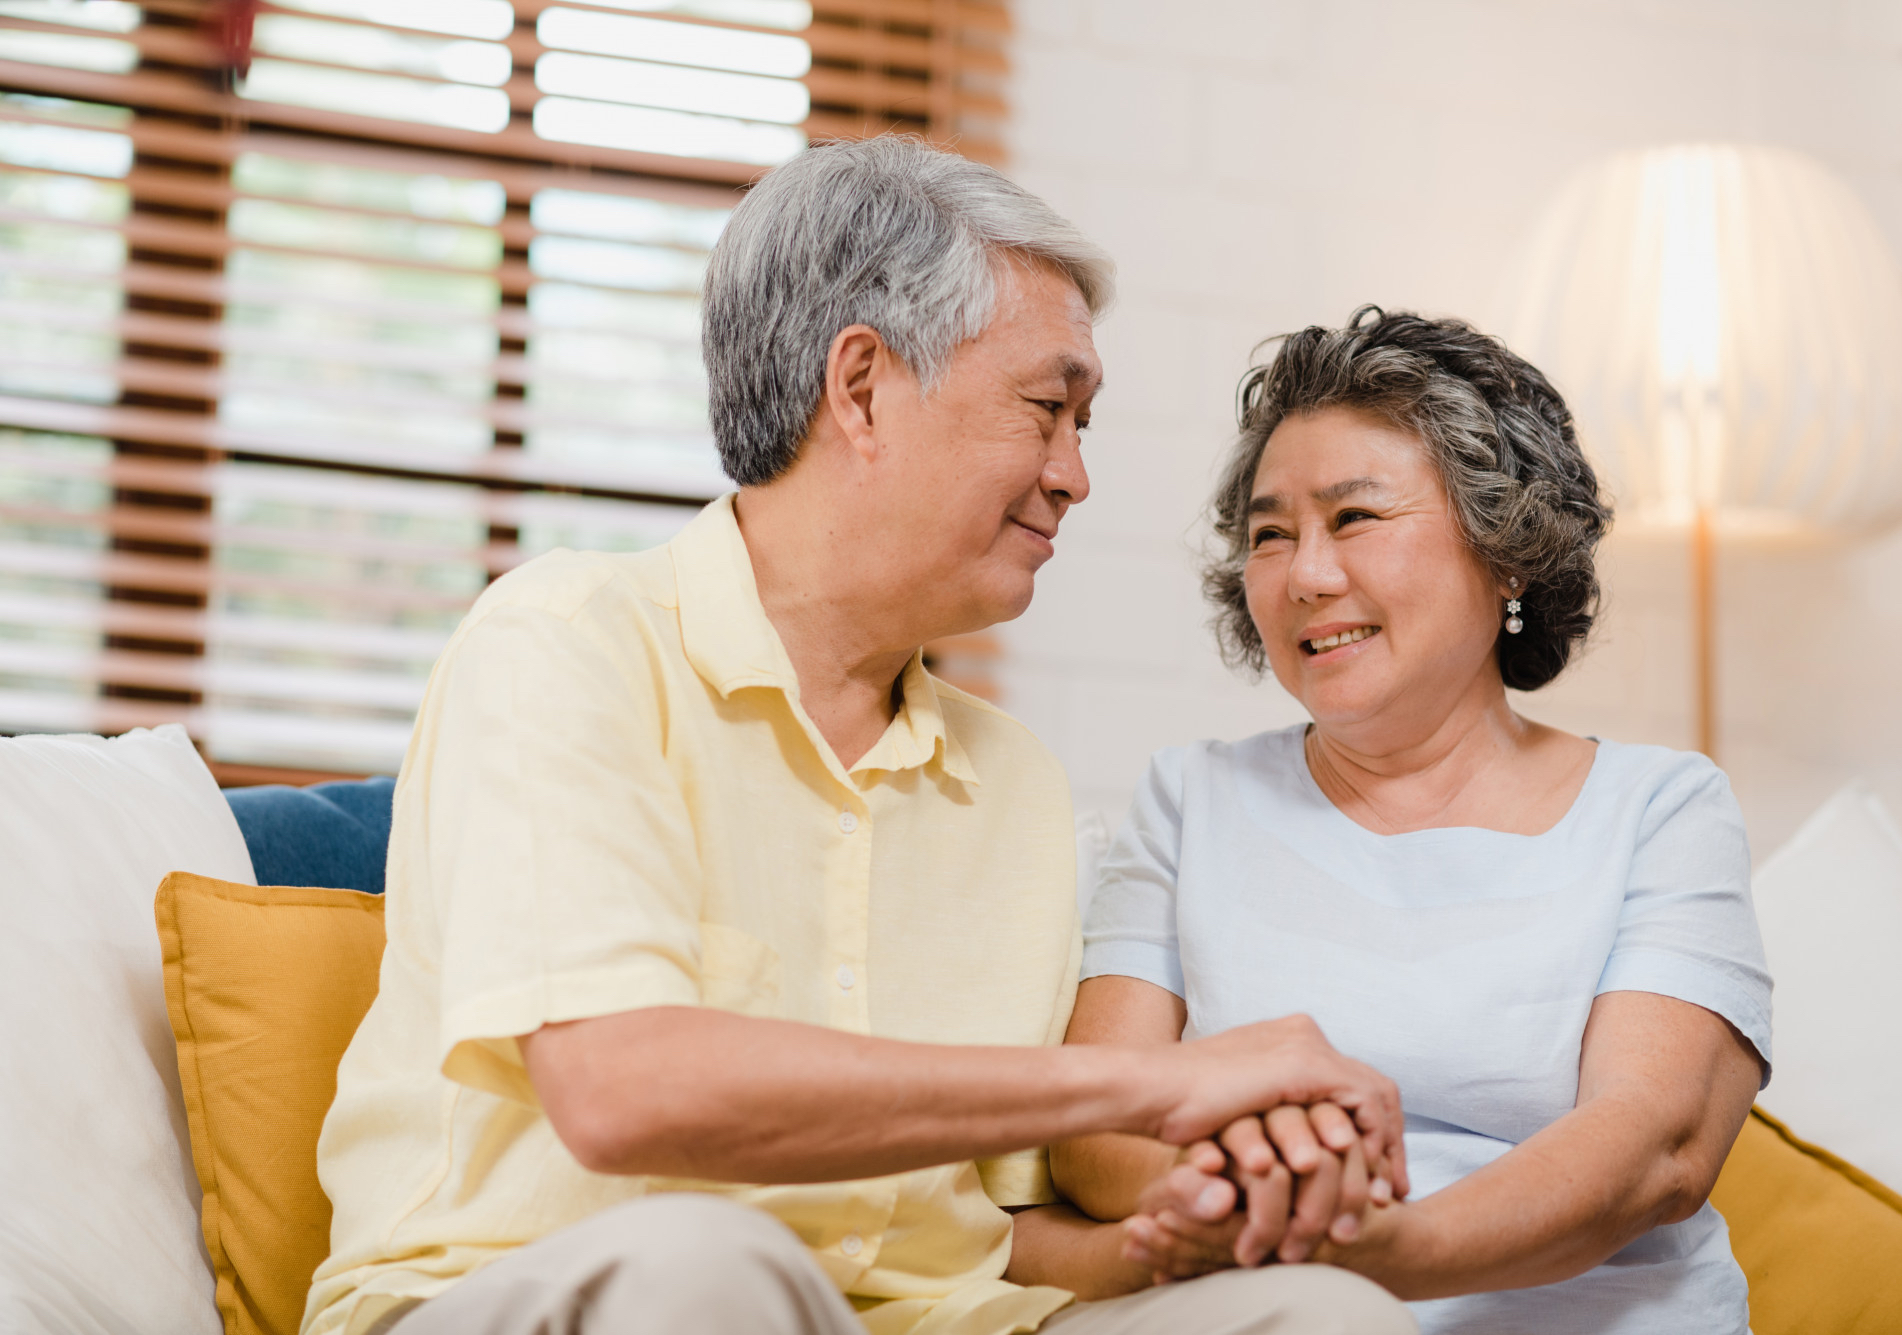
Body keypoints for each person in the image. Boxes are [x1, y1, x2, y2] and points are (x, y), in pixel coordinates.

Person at [301, 140, 1416, 1335]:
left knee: (1318, 1313)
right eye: (1048, 409)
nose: (1074, 477)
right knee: (704, 1266)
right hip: (547, 1296)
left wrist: (1169, 1244)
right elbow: (620, 1091)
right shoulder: (567, 641)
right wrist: (1160, 1081)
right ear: (863, 387)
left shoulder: (1014, 786)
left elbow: (996, 1242)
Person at [1054, 310, 1774, 1333]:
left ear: (1504, 548)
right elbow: (1093, 1127)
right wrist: (1261, 1222)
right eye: (1269, 534)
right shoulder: (1188, 799)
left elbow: (1655, 1148)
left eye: (1352, 519)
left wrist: (1386, 1252)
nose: (1304, 575)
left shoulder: (1660, 807)